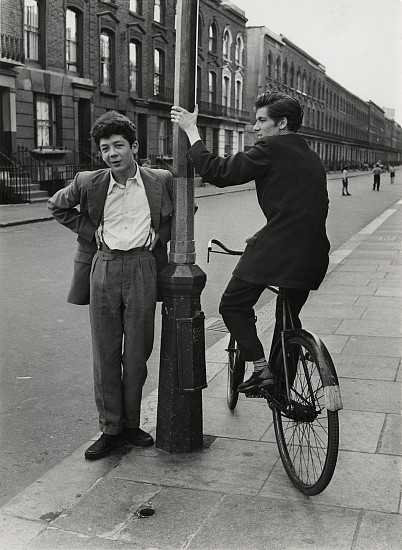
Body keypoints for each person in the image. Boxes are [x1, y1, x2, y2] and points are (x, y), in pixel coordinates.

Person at [171, 92, 330, 392]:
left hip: (279, 250)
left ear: (281, 123)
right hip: (314, 254)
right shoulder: (311, 155)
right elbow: (304, 207)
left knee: (232, 305)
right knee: (289, 320)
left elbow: (217, 173)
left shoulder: (269, 147)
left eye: (261, 120)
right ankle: (284, 392)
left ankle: (261, 368)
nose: (255, 127)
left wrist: (192, 130)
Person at [48, 111, 174, 459]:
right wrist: (91, 231)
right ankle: (110, 429)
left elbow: (184, 211)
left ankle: (131, 425)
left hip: (143, 267)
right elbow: (57, 206)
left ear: (134, 146)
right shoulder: (89, 181)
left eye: (119, 146)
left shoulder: (160, 180)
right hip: (103, 266)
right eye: (105, 148)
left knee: (136, 353)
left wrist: (159, 235)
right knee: (104, 354)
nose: (112, 154)